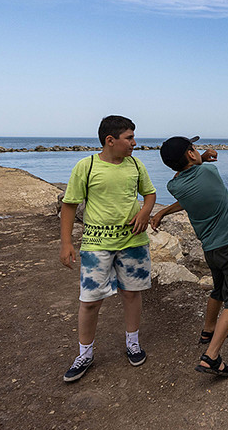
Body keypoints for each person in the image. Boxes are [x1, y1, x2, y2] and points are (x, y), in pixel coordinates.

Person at [59, 115, 157, 383]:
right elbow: (69, 204)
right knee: (90, 302)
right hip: (96, 245)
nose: (134, 143)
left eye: (133, 137)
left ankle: (132, 342)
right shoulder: (86, 166)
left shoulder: (135, 165)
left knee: (132, 294)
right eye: (129, 138)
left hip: (133, 243)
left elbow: (149, 194)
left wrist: (145, 213)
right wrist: (66, 242)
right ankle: (85, 354)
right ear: (110, 140)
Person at [150, 135, 228, 378]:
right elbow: (201, 170)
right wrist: (203, 158)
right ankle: (211, 357)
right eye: (193, 148)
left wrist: (162, 211)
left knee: (219, 288)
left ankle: (208, 329)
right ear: (191, 154)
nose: (198, 150)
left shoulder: (174, 186)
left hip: (211, 248)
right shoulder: (210, 173)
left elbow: (186, 199)